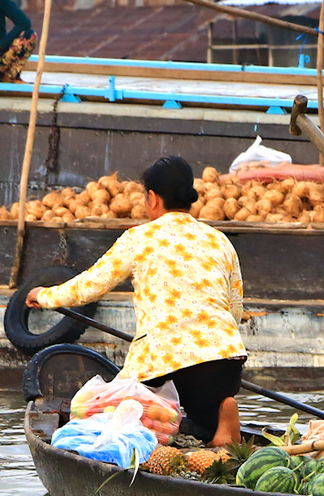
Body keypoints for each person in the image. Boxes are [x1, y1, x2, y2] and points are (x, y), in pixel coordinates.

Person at [26, 156, 247, 446]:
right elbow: (235, 310)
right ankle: (220, 419)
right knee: (203, 418)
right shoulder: (220, 241)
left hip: (164, 366)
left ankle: (159, 437)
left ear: (153, 198)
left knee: (107, 409)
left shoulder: (139, 238)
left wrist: (43, 296)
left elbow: (90, 286)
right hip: (225, 363)